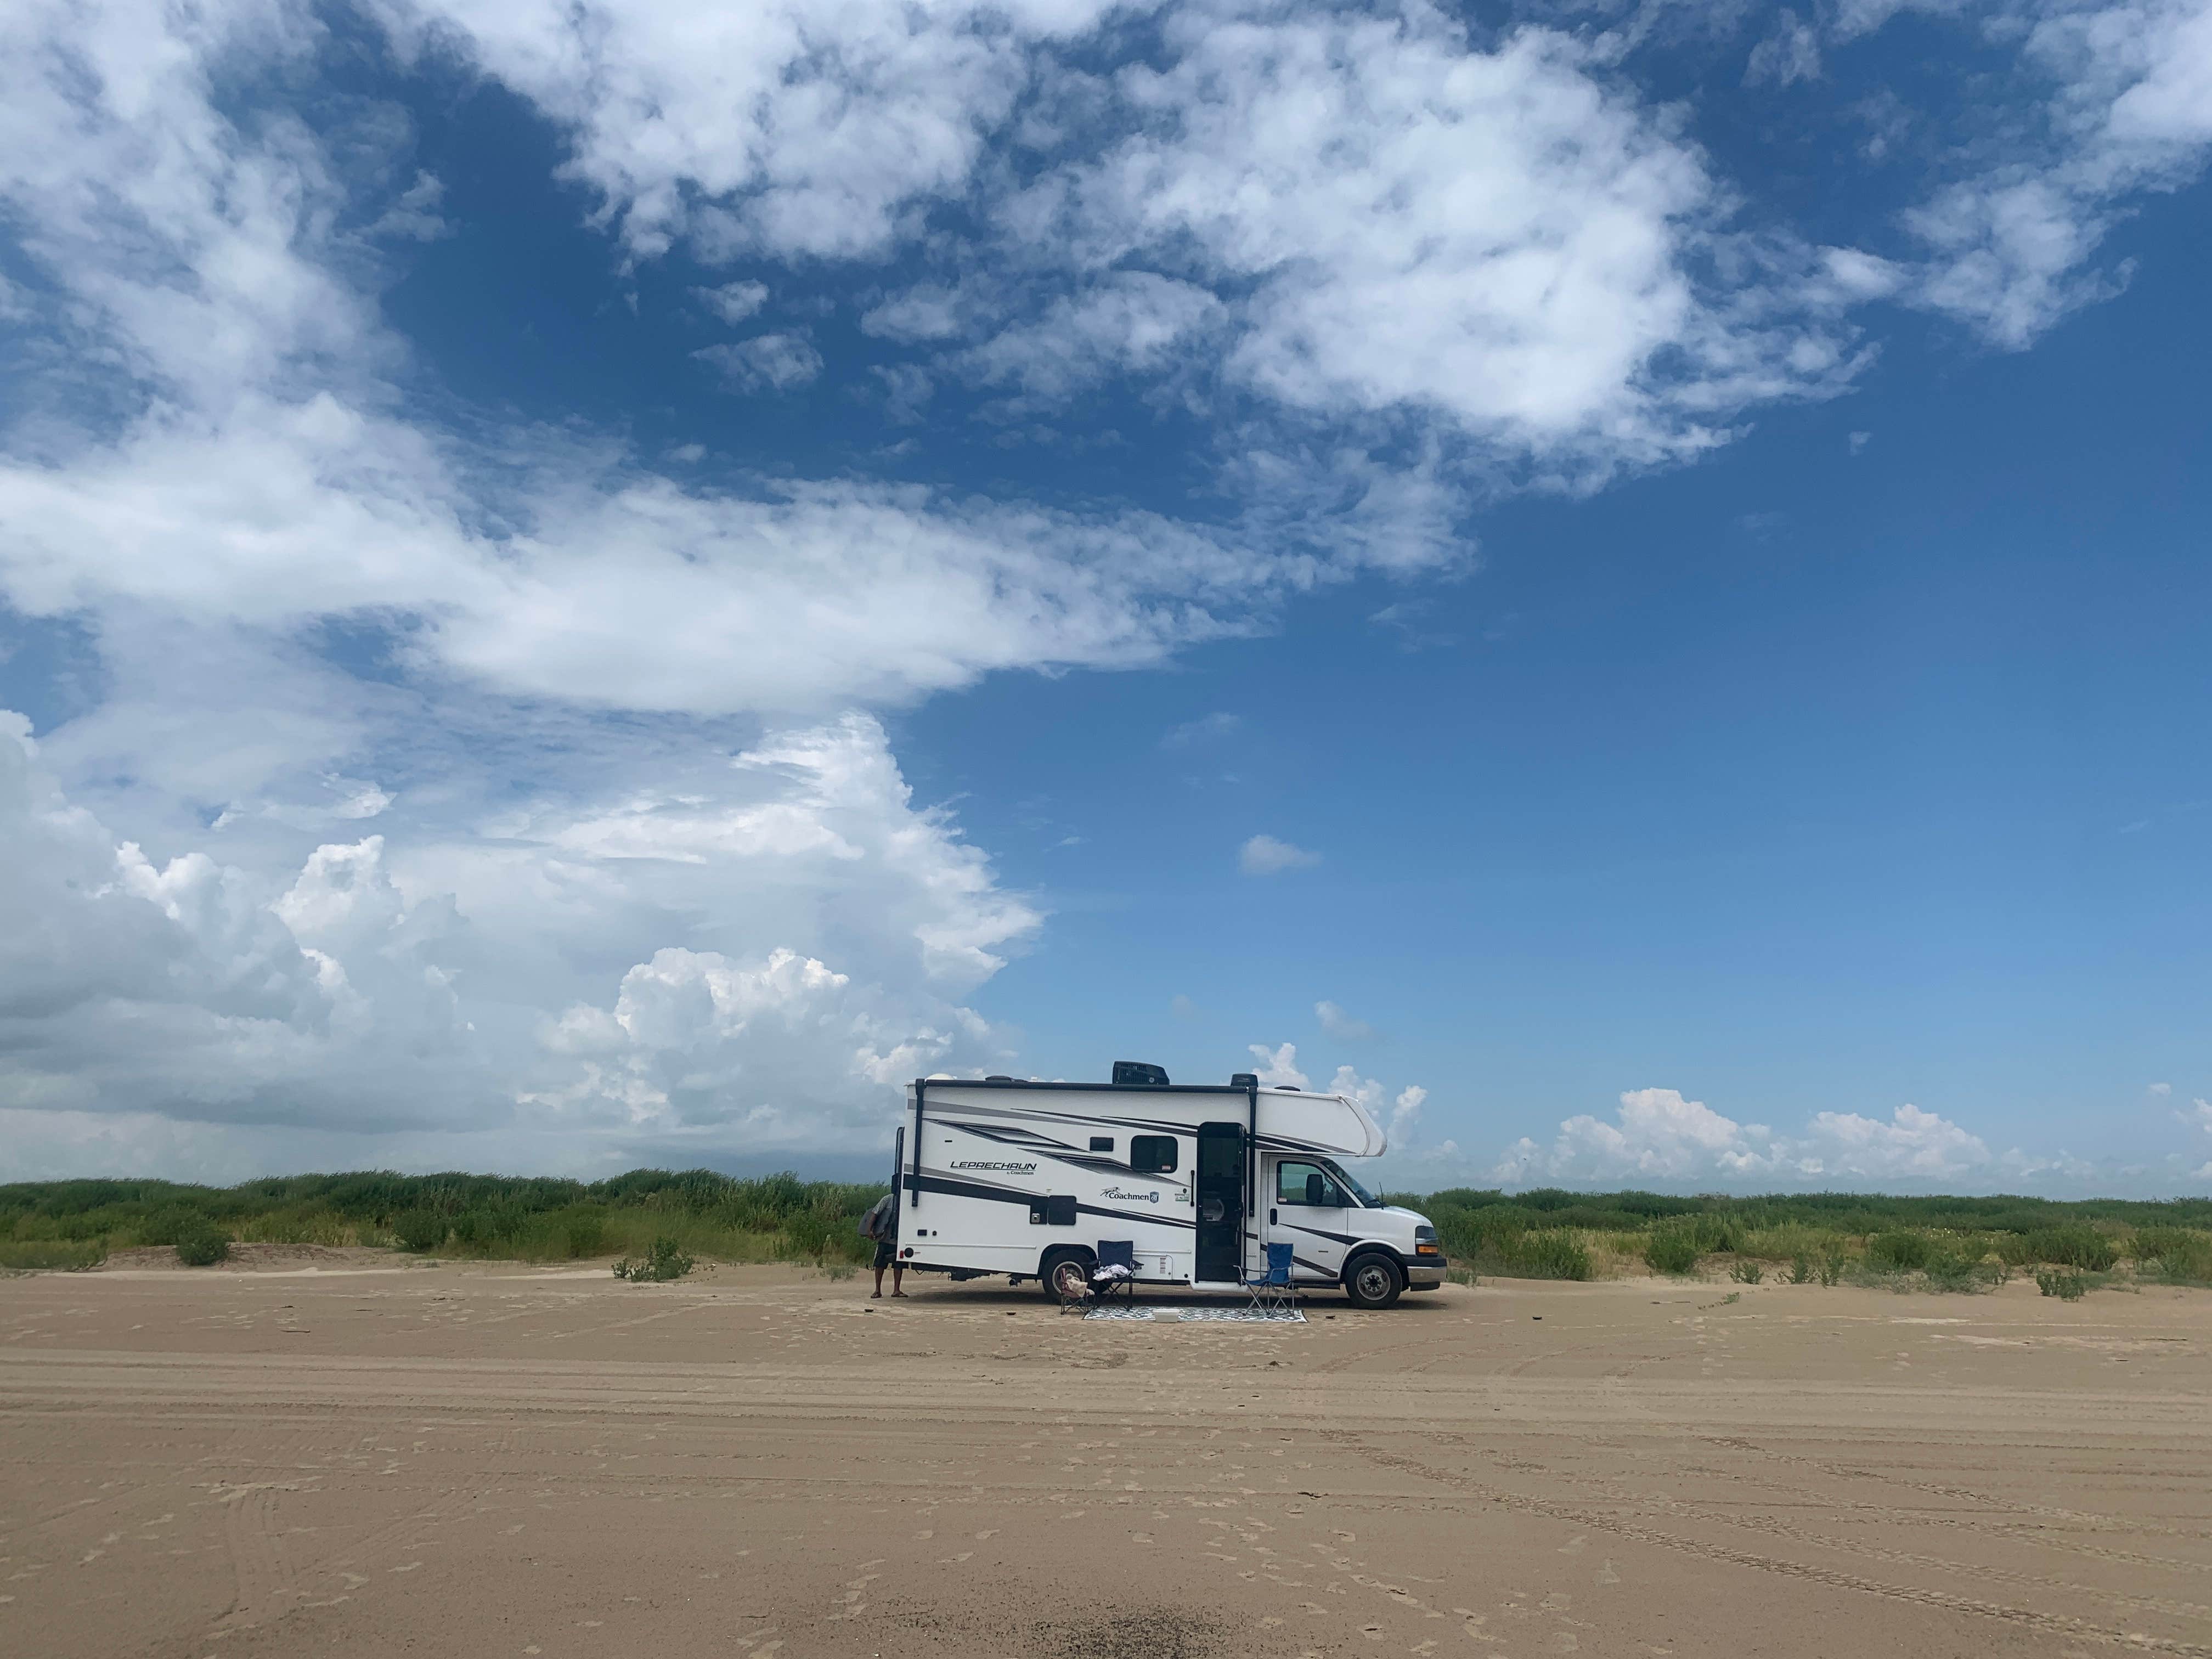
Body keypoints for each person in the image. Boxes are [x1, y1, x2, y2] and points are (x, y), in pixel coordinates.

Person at [860, 1188, 905, 1299]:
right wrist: (869, 1230)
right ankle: (877, 1290)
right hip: (884, 1238)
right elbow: (875, 1213)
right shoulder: (888, 1199)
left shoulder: (906, 1200)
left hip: (899, 1240)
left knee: (898, 1265)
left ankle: (896, 1290)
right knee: (880, 1264)